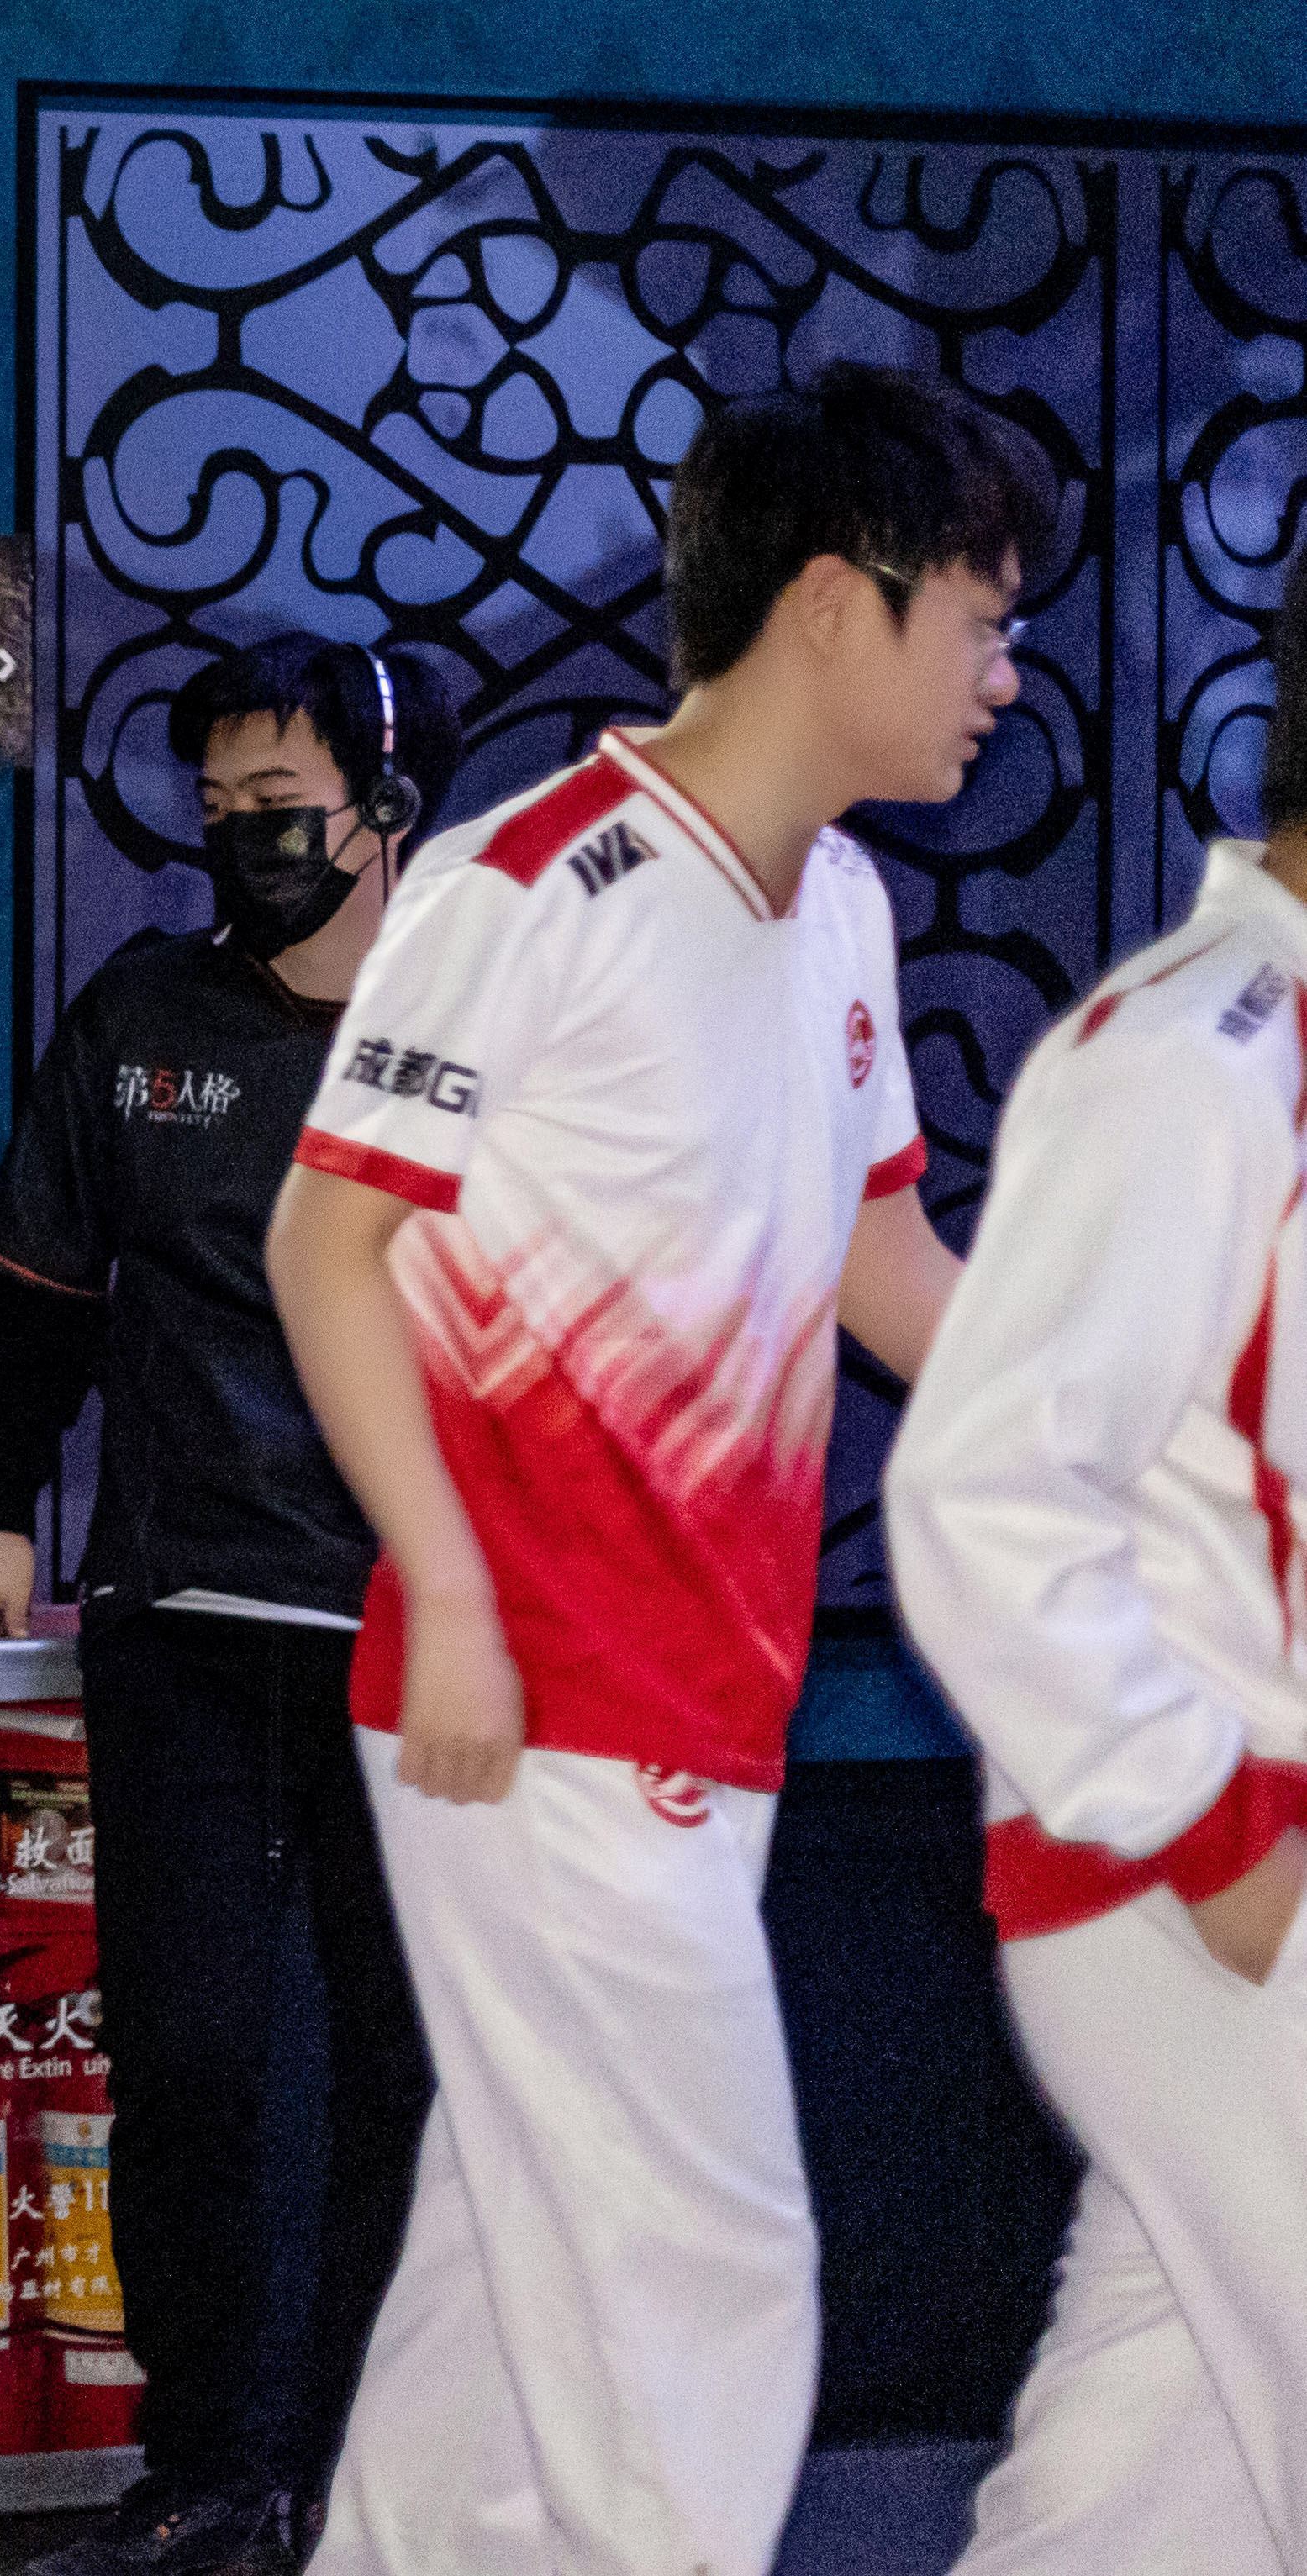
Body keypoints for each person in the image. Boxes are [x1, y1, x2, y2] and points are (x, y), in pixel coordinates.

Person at [264, 360, 1028, 2576]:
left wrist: (1144, 1414)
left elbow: (885, 1264)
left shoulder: (842, 908)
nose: (1000, 675)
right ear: (831, 606)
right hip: (537, 1704)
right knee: (699, 2294)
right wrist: (453, 1590)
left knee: (505, 2315)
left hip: (693, 1698)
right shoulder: (526, 885)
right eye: (977, 621)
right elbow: (325, 1242)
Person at [0, 634, 454, 2573]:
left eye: (280, 805)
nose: (241, 839)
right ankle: (204, 2479)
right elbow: (41, 1296)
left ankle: (360, 2478)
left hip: (419, 1641)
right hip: (182, 1613)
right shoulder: (141, 1016)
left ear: (387, 803)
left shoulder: (494, 1028)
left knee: (403, 2071)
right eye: (217, 809)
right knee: (187, 2063)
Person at [885, 572, 1307, 2576]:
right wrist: (1214, 1837)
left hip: (1229, 1890)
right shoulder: (1196, 1056)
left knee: (1138, 2502)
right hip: (1212, 1878)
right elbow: (986, 1486)